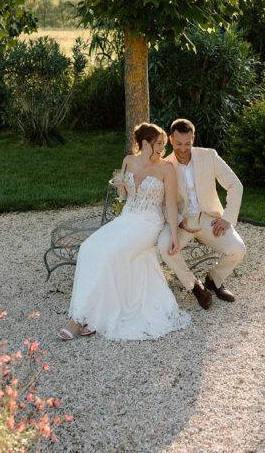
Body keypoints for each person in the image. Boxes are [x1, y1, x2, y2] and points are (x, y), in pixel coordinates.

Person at [58, 122, 190, 341]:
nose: (162, 149)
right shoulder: (128, 161)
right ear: (145, 143)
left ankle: (79, 320)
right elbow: (125, 198)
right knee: (89, 248)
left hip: (148, 223)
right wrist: (121, 188)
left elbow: (170, 205)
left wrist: (174, 235)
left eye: (164, 145)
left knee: (112, 254)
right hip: (126, 218)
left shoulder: (166, 168)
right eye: (159, 144)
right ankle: (94, 315)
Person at [157, 118, 246, 309]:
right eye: (178, 144)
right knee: (166, 247)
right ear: (171, 140)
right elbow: (164, 203)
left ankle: (214, 279)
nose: (183, 148)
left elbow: (235, 185)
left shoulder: (209, 156)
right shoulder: (164, 165)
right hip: (182, 221)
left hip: (209, 219)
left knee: (238, 249)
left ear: (193, 139)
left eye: (187, 144)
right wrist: (180, 222)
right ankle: (195, 286)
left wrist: (227, 218)